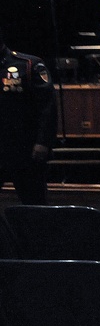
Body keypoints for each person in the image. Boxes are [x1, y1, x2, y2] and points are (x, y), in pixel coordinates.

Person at [0, 26, 56, 205]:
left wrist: (42, 142)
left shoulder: (28, 65)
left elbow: (47, 107)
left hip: (24, 148)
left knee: (34, 205)